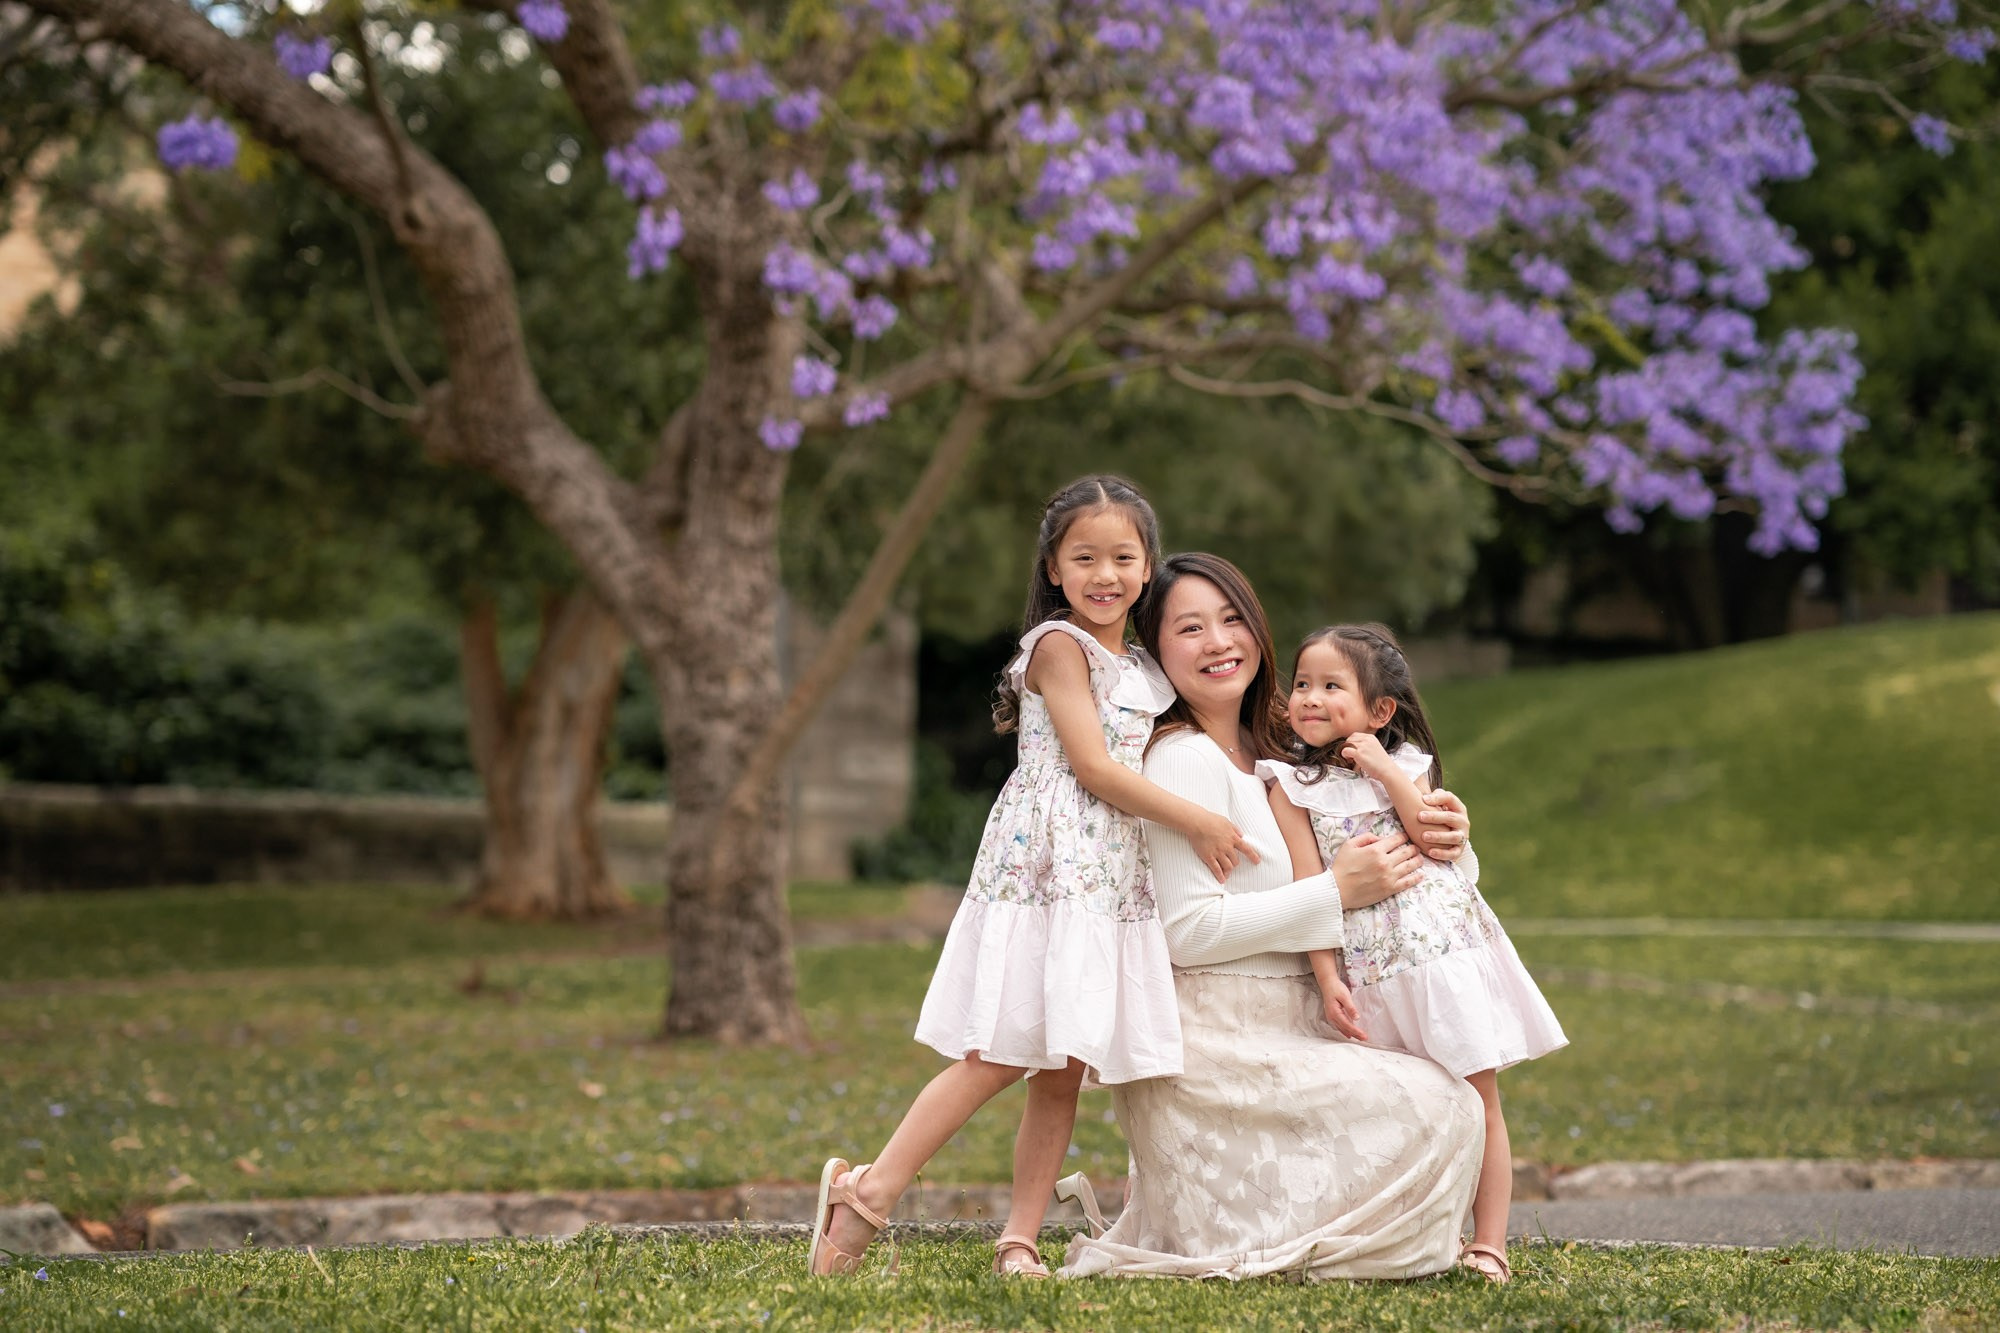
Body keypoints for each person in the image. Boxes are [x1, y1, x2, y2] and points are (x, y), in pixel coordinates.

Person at [808, 478, 1263, 1279]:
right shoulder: (1060, 648)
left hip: (1106, 880)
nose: (1105, 574)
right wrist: (1194, 819)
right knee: (997, 1052)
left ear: (1146, 564)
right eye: (1083, 557)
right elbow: (1090, 766)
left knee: (1064, 1070)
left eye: (1123, 557)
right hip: (1048, 871)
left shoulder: (1144, 665)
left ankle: (1020, 1236)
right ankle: (867, 1191)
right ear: (1053, 567)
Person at [1061, 553, 1484, 1282]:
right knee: (1443, 1110)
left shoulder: (1285, 754)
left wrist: (1450, 835)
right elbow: (1188, 932)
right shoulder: (1181, 760)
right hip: (1213, 1046)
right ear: (1156, 651)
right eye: (1189, 628)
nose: (1219, 642)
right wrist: (1334, 895)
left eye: (1232, 620)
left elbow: (1403, 850)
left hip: (1292, 1026)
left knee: (1454, 1103)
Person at [1260, 623, 1566, 1284]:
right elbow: (1307, 882)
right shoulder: (1286, 783)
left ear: (1380, 711)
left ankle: (1488, 1245)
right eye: (1303, 683)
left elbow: (1432, 837)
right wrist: (1323, 974)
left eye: (1331, 686)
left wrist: (1380, 769)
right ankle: (1415, 1234)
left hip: (1440, 960)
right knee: (1401, 1105)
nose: (1309, 698)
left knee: (1477, 1095)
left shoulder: (1408, 765)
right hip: (1368, 972)